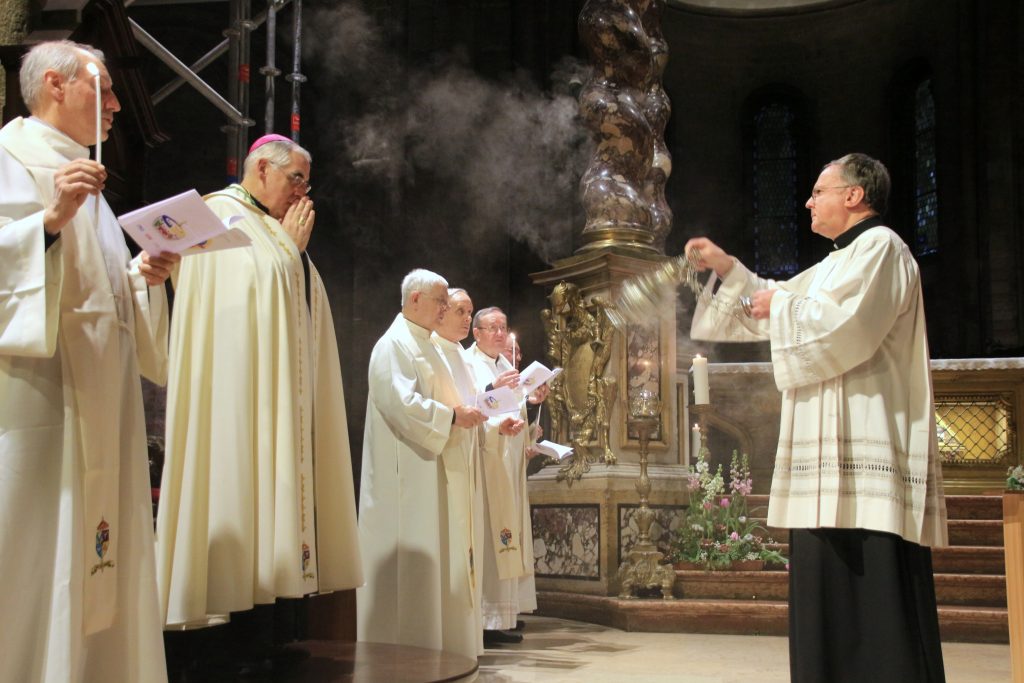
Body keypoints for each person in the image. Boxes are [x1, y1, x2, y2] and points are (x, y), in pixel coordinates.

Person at [686, 153, 947, 683]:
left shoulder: (882, 247)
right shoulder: (835, 263)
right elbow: (776, 300)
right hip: (824, 461)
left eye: (818, 191)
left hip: (867, 440)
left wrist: (779, 308)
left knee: (875, 591)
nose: (808, 202)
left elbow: (848, 327)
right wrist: (727, 269)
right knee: (824, 586)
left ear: (854, 194)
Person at [0, 40, 177, 682]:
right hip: (42, 401)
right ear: (55, 83)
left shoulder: (86, 176)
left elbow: (96, 291)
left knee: (103, 547)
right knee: (36, 547)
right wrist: (46, 223)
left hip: (102, 398)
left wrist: (141, 278)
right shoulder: (10, 158)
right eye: (103, 89)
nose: (116, 106)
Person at [155, 134, 363, 669]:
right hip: (234, 402)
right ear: (263, 169)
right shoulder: (218, 216)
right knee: (238, 494)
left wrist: (291, 255)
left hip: (275, 401)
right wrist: (289, 253)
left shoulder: (272, 228)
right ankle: (226, 646)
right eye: (296, 179)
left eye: (307, 184)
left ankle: (270, 634)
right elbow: (229, 299)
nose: (302, 193)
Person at [357, 269, 487, 658]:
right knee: (411, 578)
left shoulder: (428, 345)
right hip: (409, 477)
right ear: (415, 299)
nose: (446, 309)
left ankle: (445, 652)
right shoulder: (393, 345)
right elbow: (400, 404)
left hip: (437, 471)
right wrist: (452, 417)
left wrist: (466, 413)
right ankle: (409, 658)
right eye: (441, 302)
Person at [465, 307, 545, 644]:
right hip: (485, 461)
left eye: (503, 327)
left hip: (507, 459)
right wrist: (491, 388)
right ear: (476, 333)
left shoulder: (505, 365)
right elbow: (467, 405)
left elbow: (513, 410)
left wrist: (531, 399)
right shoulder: (467, 363)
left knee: (508, 536)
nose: (500, 333)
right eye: (492, 328)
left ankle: (504, 615)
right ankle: (486, 620)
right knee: (489, 536)